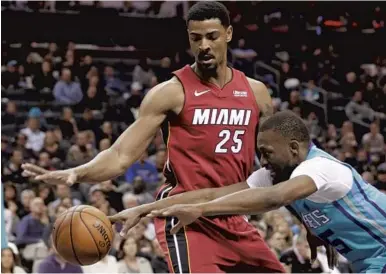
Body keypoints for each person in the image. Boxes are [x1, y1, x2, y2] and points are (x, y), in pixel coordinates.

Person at [22, 2, 285, 272]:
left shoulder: (257, 94)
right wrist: (79, 172)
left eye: (212, 36)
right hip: (183, 216)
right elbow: (121, 155)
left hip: (233, 212)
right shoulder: (171, 92)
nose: (203, 45)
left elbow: (277, 170)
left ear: (228, 34)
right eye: (196, 38)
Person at [149, 111, 386, 273]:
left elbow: (275, 198)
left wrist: (199, 210)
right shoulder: (279, 174)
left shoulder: (320, 167)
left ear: (293, 148)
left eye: (267, 152)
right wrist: (147, 209)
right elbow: (214, 194)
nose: (262, 161)